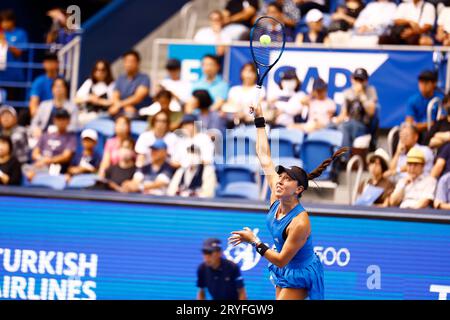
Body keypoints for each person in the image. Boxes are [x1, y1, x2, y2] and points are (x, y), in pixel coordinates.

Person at [228, 100, 349, 300]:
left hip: (300, 271)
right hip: (284, 267)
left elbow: (282, 259)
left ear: (299, 189)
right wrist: (259, 118)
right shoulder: (276, 195)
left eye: (287, 179)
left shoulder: (300, 222)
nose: (280, 181)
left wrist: (255, 241)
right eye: (280, 177)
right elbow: (264, 155)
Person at [331, 68, 378, 150]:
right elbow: (344, 113)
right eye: (356, 79)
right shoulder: (348, 92)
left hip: (362, 125)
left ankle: (344, 158)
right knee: (330, 126)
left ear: (366, 81)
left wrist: (361, 95)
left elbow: (371, 112)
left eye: (361, 80)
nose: (358, 82)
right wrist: (335, 121)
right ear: (352, 79)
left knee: (343, 127)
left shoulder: (370, 91)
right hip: (349, 122)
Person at [24, 109, 77, 180]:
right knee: (24, 168)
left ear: (68, 121)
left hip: (57, 167)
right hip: (40, 164)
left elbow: (66, 156)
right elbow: (34, 154)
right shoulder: (45, 135)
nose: (61, 121)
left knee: (32, 174)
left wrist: (47, 161)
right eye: (58, 119)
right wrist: (42, 160)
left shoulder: (71, 137)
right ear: (54, 120)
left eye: (63, 119)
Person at [110, 50, 151, 118]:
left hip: (138, 111)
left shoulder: (144, 78)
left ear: (138, 63)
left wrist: (119, 105)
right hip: (120, 109)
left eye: (132, 61)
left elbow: (138, 97)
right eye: (126, 61)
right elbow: (115, 95)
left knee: (129, 113)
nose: (129, 64)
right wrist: (119, 105)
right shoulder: (120, 78)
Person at [224, 63, 266, 127]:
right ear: (241, 73)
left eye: (251, 71)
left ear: (256, 75)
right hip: (234, 123)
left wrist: (245, 114)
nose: (248, 74)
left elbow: (257, 108)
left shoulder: (260, 89)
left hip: (252, 124)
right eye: (246, 71)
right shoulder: (233, 90)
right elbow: (229, 107)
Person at [75, 59, 115, 126]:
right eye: (97, 69)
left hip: (103, 116)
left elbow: (113, 102)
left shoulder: (112, 85)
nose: (99, 72)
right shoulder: (89, 82)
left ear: (107, 71)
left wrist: (98, 101)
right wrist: (89, 98)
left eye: (103, 70)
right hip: (86, 114)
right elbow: (76, 100)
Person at [0, 9, 28, 100]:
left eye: (6, 21)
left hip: (15, 77)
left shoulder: (21, 33)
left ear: (12, 21)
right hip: (1, 77)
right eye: (2, 21)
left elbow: (18, 53)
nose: (4, 24)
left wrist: (6, 43)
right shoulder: (1, 34)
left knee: (14, 104)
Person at [29, 52, 59, 119]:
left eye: (53, 61)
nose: (50, 64)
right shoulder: (39, 82)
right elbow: (33, 103)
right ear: (44, 64)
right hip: (43, 116)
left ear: (57, 64)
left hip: (60, 116)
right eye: (48, 62)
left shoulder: (62, 81)